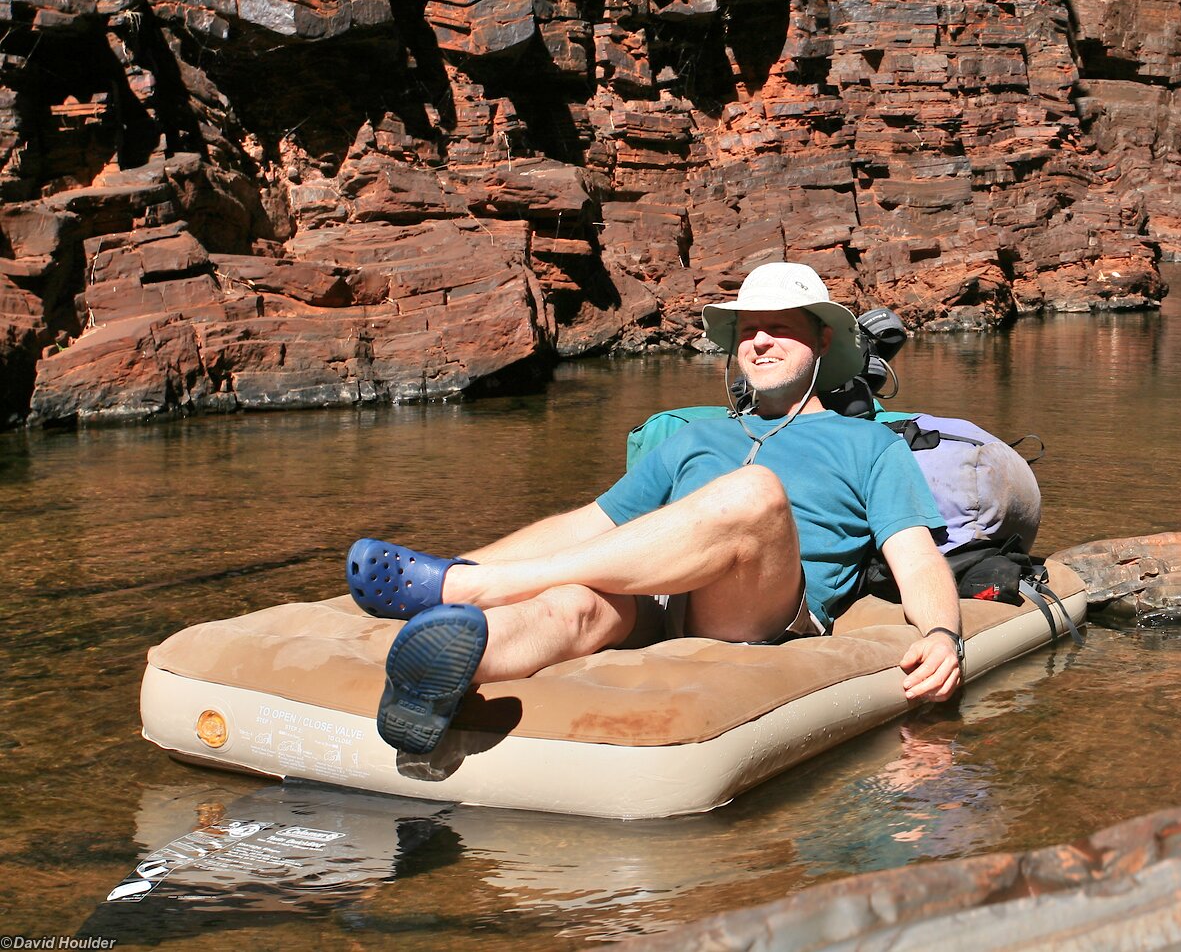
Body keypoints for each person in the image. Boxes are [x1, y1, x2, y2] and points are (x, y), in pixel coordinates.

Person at [346, 262, 965, 755]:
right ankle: (440, 673)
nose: (760, 340)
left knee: (754, 492)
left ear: (822, 339)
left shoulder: (870, 444)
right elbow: (587, 526)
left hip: (760, 607)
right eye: (748, 329)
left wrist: (942, 633)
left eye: (780, 325)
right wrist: (445, 569)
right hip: (661, 601)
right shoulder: (694, 437)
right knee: (574, 604)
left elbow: (915, 558)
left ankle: (473, 587)